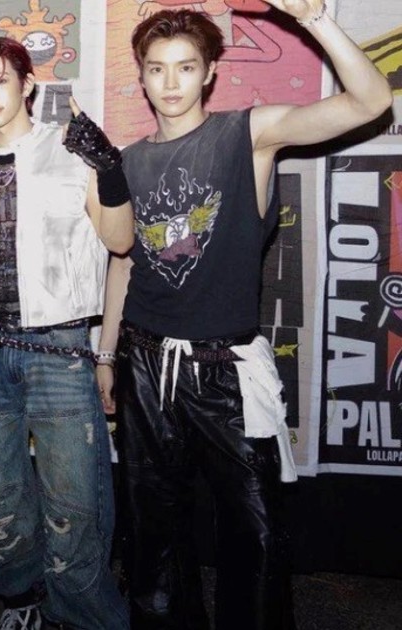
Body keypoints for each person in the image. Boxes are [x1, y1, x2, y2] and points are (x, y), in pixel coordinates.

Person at [98, 3, 392, 628]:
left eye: (185, 67)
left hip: (226, 369)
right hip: (144, 362)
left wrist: (316, 19)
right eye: (157, 68)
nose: (170, 82)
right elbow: (124, 264)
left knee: (255, 533)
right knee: (152, 533)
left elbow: (370, 103)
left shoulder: (247, 133)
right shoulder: (128, 159)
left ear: (209, 73)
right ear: (141, 76)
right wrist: (106, 353)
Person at [0, 36, 134, 630]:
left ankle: (83, 616)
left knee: (75, 499)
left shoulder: (72, 154)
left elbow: (120, 241)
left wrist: (110, 168)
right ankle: (22, 605)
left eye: (1, 80)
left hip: (58, 349)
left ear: (28, 84)